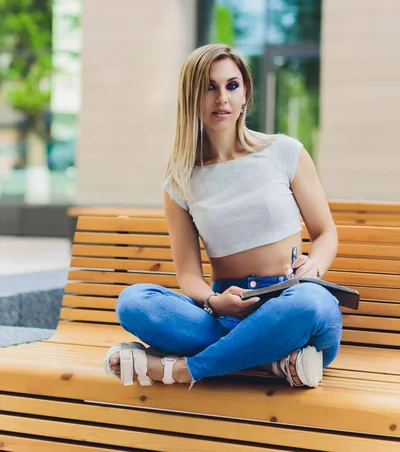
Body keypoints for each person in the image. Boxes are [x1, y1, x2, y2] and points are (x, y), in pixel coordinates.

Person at [104, 43, 342, 389]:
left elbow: (325, 233)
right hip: (228, 314)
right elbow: (188, 276)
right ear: (191, 97)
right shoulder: (181, 182)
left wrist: (315, 267)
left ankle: (185, 369)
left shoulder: (284, 152)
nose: (222, 98)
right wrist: (215, 302)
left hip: (290, 307)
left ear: (245, 93)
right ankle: (271, 363)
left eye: (232, 85)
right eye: (209, 87)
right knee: (134, 302)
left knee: (311, 301)